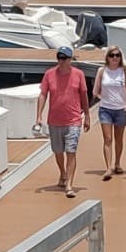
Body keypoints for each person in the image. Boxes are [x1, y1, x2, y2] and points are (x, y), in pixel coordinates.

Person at [35, 45, 90, 198]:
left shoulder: (79, 74)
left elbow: (84, 96)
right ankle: (63, 173)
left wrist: (87, 116)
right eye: (59, 57)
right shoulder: (49, 74)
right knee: (58, 152)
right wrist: (38, 116)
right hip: (54, 121)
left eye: (65, 58)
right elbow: (43, 95)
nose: (62, 60)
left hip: (73, 120)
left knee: (71, 152)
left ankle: (69, 185)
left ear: (70, 59)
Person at [94, 45, 126, 179]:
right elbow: (95, 91)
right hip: (105, 109)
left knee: (119, 139)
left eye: (117, 55)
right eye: (112, 55)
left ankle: (117, 163)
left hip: (121, 109)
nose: (115, 58)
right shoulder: (101, 71)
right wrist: (104, 98)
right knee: (108, 139)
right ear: (107, 57)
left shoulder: (125, 70)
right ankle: (108, 167)